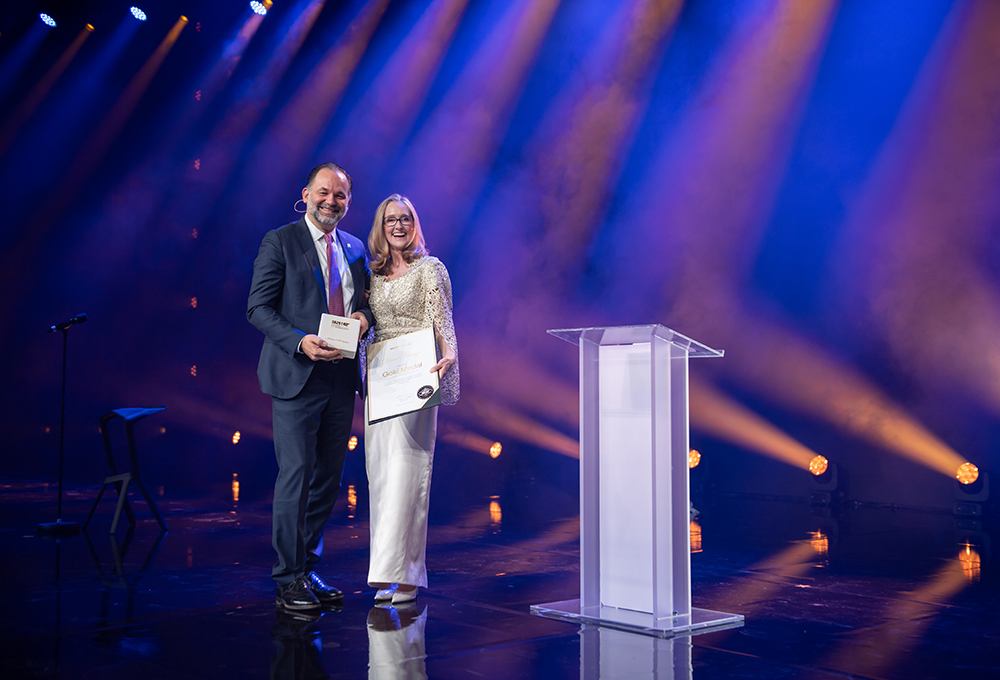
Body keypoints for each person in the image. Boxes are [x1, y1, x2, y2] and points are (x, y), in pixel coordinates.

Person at [248, 162, 374, 611]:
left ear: (348, 202)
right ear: (306, 194)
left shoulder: (355, 248)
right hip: (296, 376)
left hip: (341, 378)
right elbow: (258, 308)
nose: (330, 201)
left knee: (328, 481)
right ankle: (287, 579)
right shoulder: (280, 240)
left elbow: (368, 305)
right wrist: (300, 341)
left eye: (339, 195)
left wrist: (364, 318)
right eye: (323, 192)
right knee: (296, 477)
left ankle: (305, 567)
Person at [363, 194, 459, 605]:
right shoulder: (373, 275)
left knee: (408, 473)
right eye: (390, 220)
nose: (398, 226)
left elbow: (442, 320)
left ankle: (405, 577)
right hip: (382, 380)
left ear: (414, 225)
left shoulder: (429, 268)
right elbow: (367, 324)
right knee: (381, 477)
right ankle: (387, 571)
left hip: (416, 376)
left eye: (405, 219)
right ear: (381, 227)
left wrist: (449, 354)